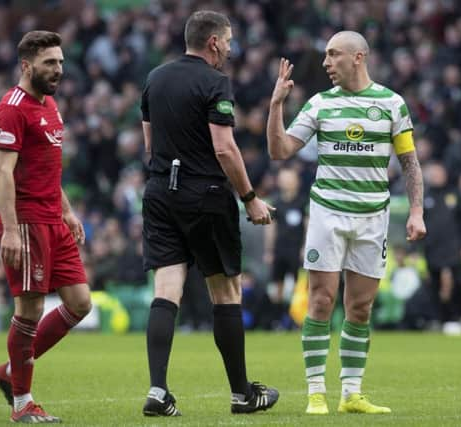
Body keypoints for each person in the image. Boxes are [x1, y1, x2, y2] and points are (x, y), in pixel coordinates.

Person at [267, 31, 426, 415]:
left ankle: (351, 393)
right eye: (325, 55)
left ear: (358, 57)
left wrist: (417, 211)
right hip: (328, 213)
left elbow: (409, 162)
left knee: (360, 308)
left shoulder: (391, 103)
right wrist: (276, 107)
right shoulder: (320, 104)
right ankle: (316, 392)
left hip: (374, 216)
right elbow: (280, 151)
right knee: (321, 301)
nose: (326, 62)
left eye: (333, 55)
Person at [140, 10, 279, 417]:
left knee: (166, 291)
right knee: (225, 292)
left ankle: (158, 391)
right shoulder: (215, 81)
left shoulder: (155, 77)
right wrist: (250, 197)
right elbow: (224, 147)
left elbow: (150, 144)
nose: (231, 49)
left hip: (160, 192)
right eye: (229, 41)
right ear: (214, 42)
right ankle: (241, 394)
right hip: (206, 195)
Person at [0, 31, 92, 424]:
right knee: (29, 311)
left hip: (53, 220)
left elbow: (49, 168)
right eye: (50, 63)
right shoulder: (12, 108)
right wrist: (11, 230)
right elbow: (3, 172)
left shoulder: (50, 105)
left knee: (80, 303)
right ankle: (22, 403)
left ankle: (8, 372)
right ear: (26, 65)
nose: (59, 70)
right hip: (27, 222)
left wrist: (67, 211)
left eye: (61, 62)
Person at [422, 161, 461, 325]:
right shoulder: (425, 197)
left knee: (457, 282)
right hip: (432, 250)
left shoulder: (454, 195)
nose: (438, 177)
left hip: (453, 249)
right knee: (434, 285)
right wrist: (416, 247)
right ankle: (438, 318)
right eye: (435, 174)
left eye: (440, 173)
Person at [263, 165, 307, 329]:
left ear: (297, 181)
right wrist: (269, 251)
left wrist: (305, 246)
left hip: (297, 250)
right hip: (280, 249)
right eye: (284, 179)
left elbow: (307, 225)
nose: (287, 182)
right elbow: (271, 228)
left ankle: (296, 320)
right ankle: (278, 320)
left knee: (298, 285)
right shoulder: (276, 202)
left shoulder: (303, 201)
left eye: (290, 178)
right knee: (277, 286)